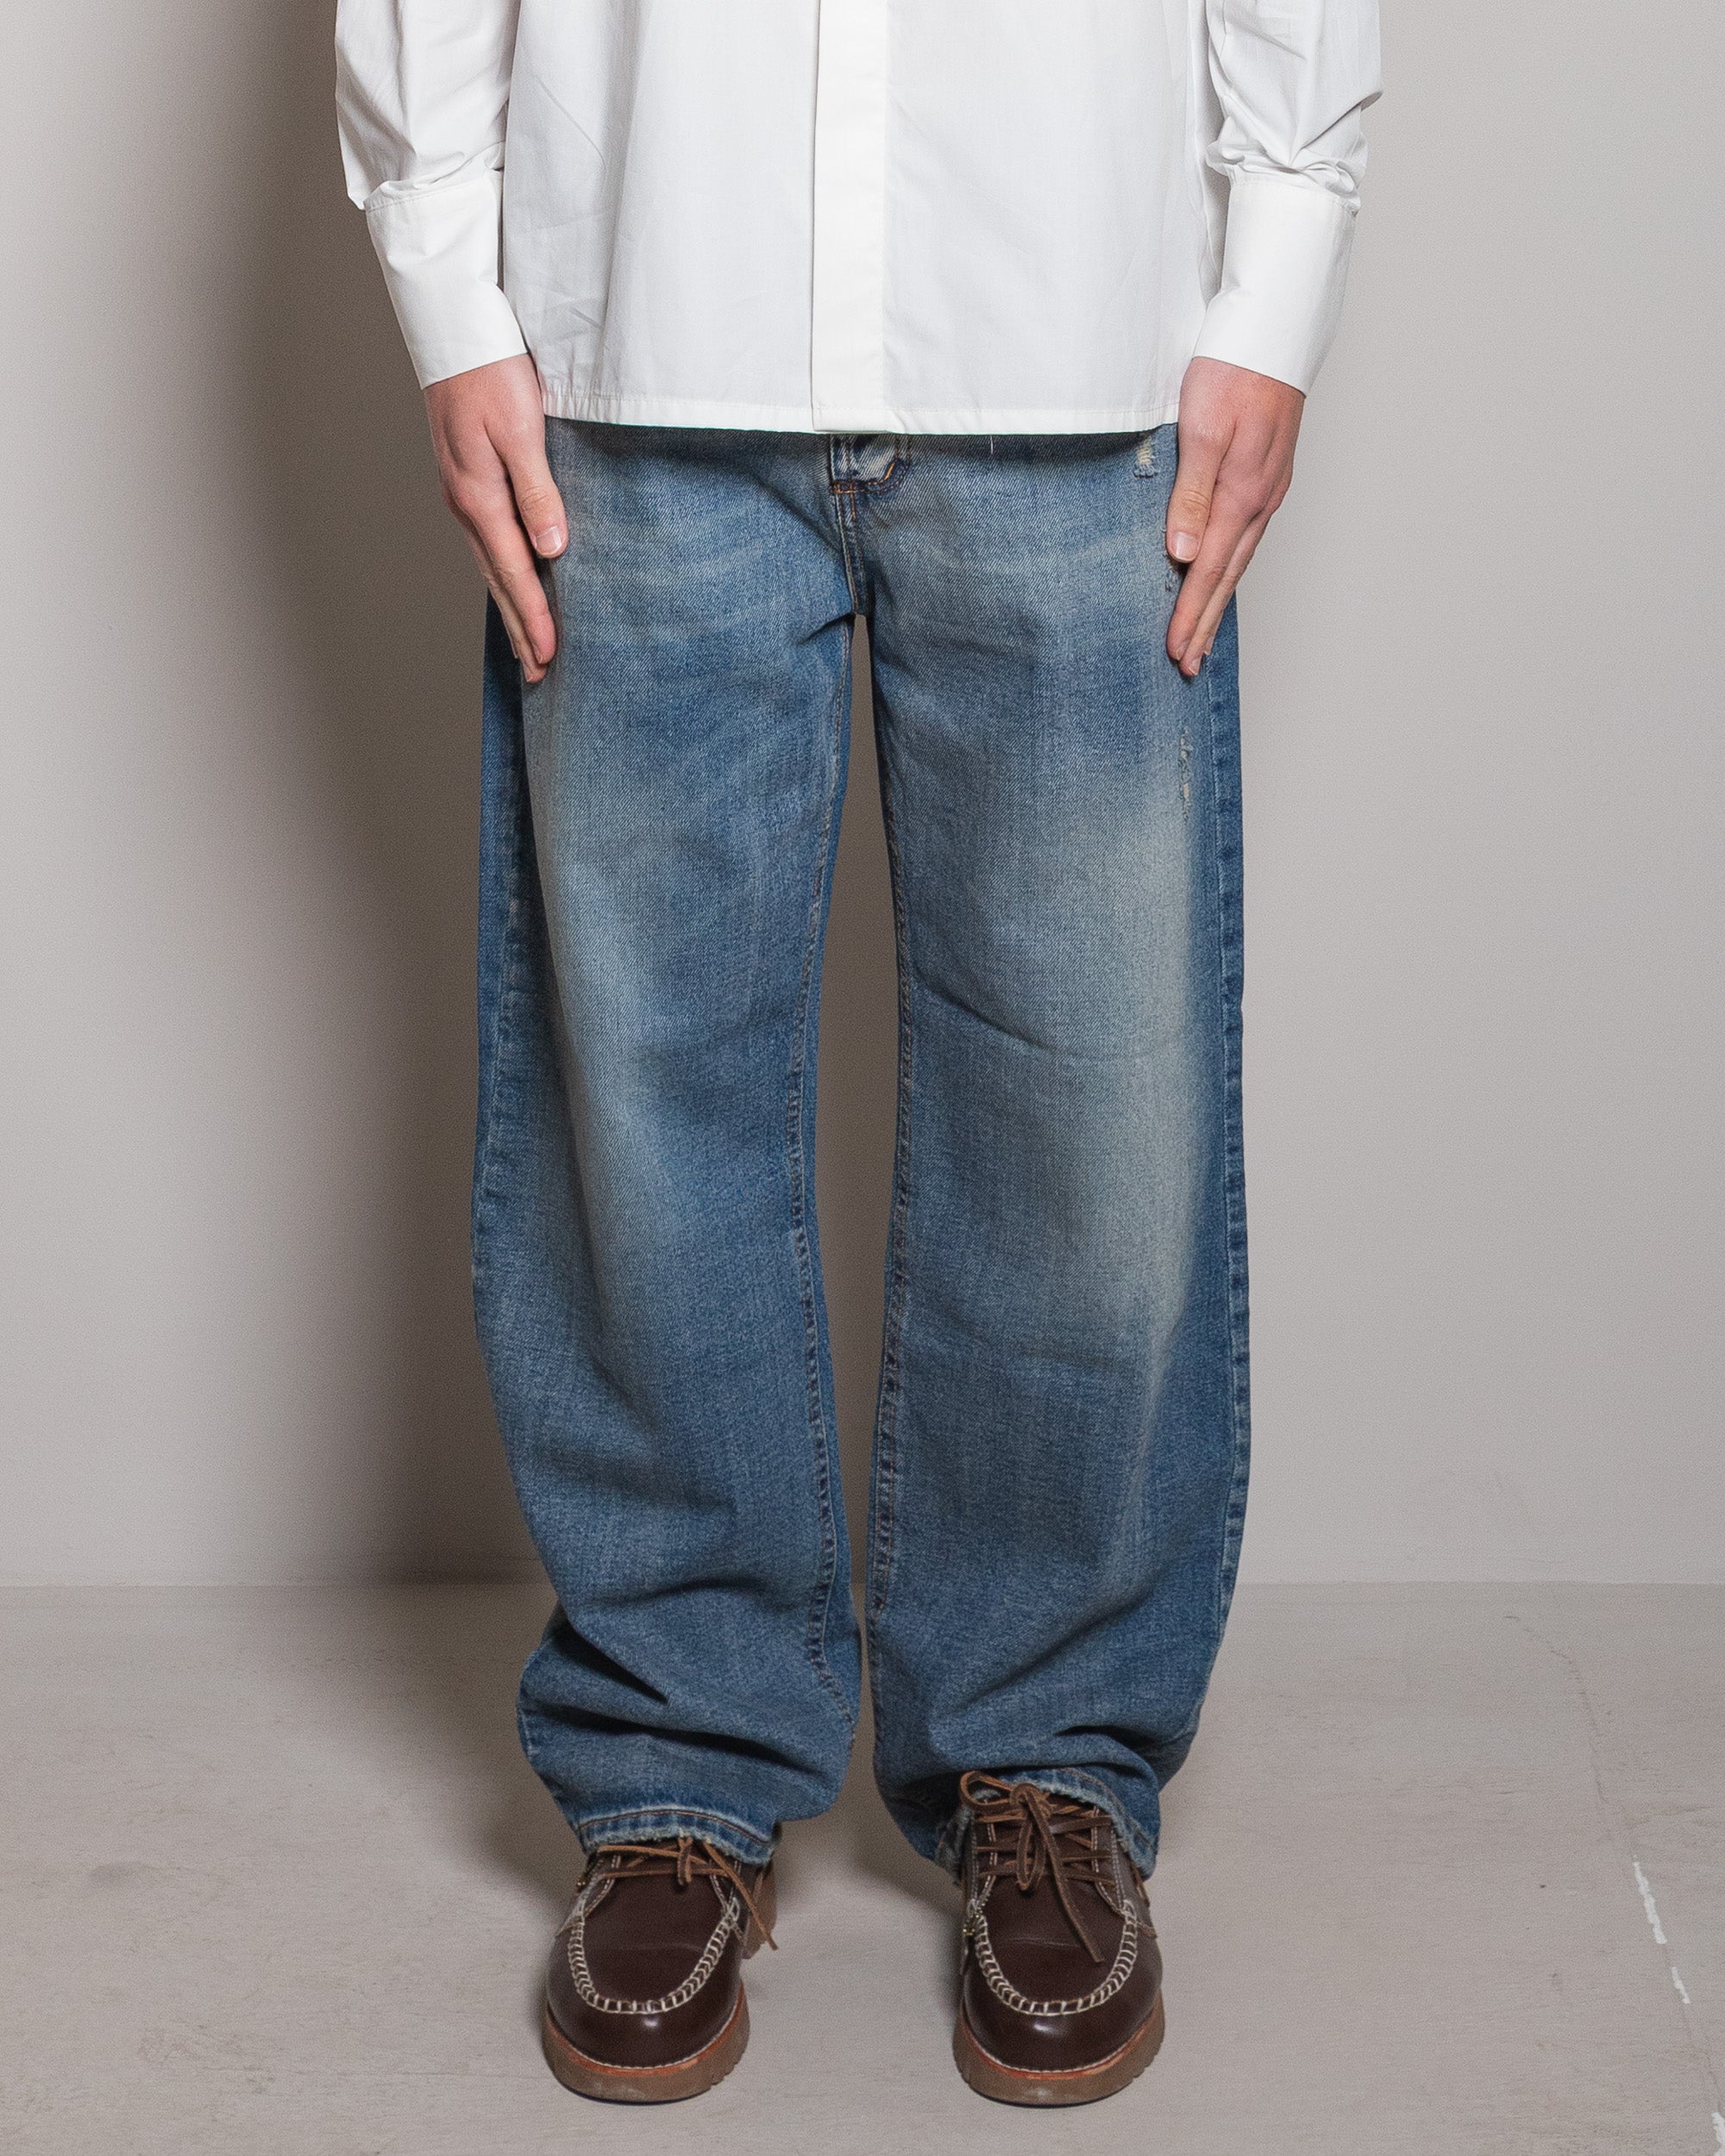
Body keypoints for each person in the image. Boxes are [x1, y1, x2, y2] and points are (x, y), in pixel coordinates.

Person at [336, 0, 1379, 2109]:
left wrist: (1278, 271)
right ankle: (674, 1759)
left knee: (1092, 1113)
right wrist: (446, 281)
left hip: (1072, 335)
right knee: (645, 1108)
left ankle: (1045, 1756)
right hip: (643, 323)